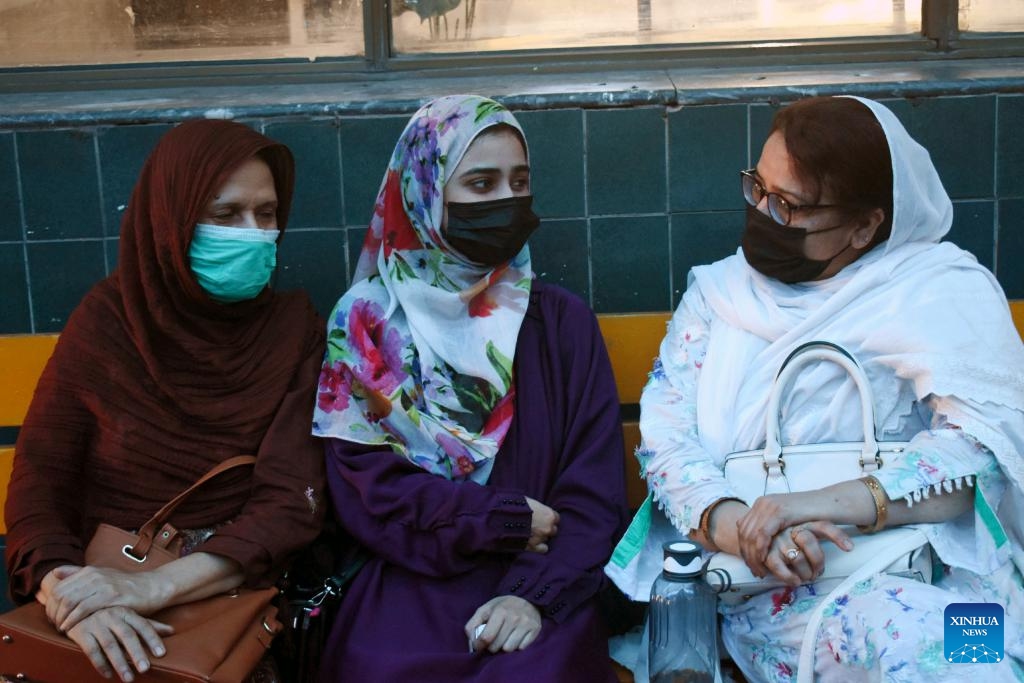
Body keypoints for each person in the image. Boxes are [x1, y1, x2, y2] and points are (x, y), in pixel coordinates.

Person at [608, 96, 1024, 681]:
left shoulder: (935, 292)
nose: (764, 214)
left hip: (935, 573)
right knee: (920, 648)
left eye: (791, 206)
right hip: (776, 592)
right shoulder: (721, 297)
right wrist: (748, 529)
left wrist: (811, 505)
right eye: (759, 189)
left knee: (974, 658)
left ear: (865, 224)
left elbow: (979, 452)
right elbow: (668, 441)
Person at [312, 94, 628, 682]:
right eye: (481, 184)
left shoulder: (558, 323)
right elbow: (367, 493)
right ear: (425, 194)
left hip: (538, 576)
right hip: (410, 574)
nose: (507, 201)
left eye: (519, 182)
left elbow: (593, 493)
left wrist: (533, 596)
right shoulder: (366, 323)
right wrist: (499, 518)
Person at [4, 120, 326, 683]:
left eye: (266, 214)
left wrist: (150, 588)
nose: (253, 233)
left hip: (228, 594)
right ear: (170, 218)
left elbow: (291, 501)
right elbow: (39, 482)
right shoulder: (109, 322)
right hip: (94, 588)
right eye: (226, 215)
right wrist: (69, 596)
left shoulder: (293, 329)